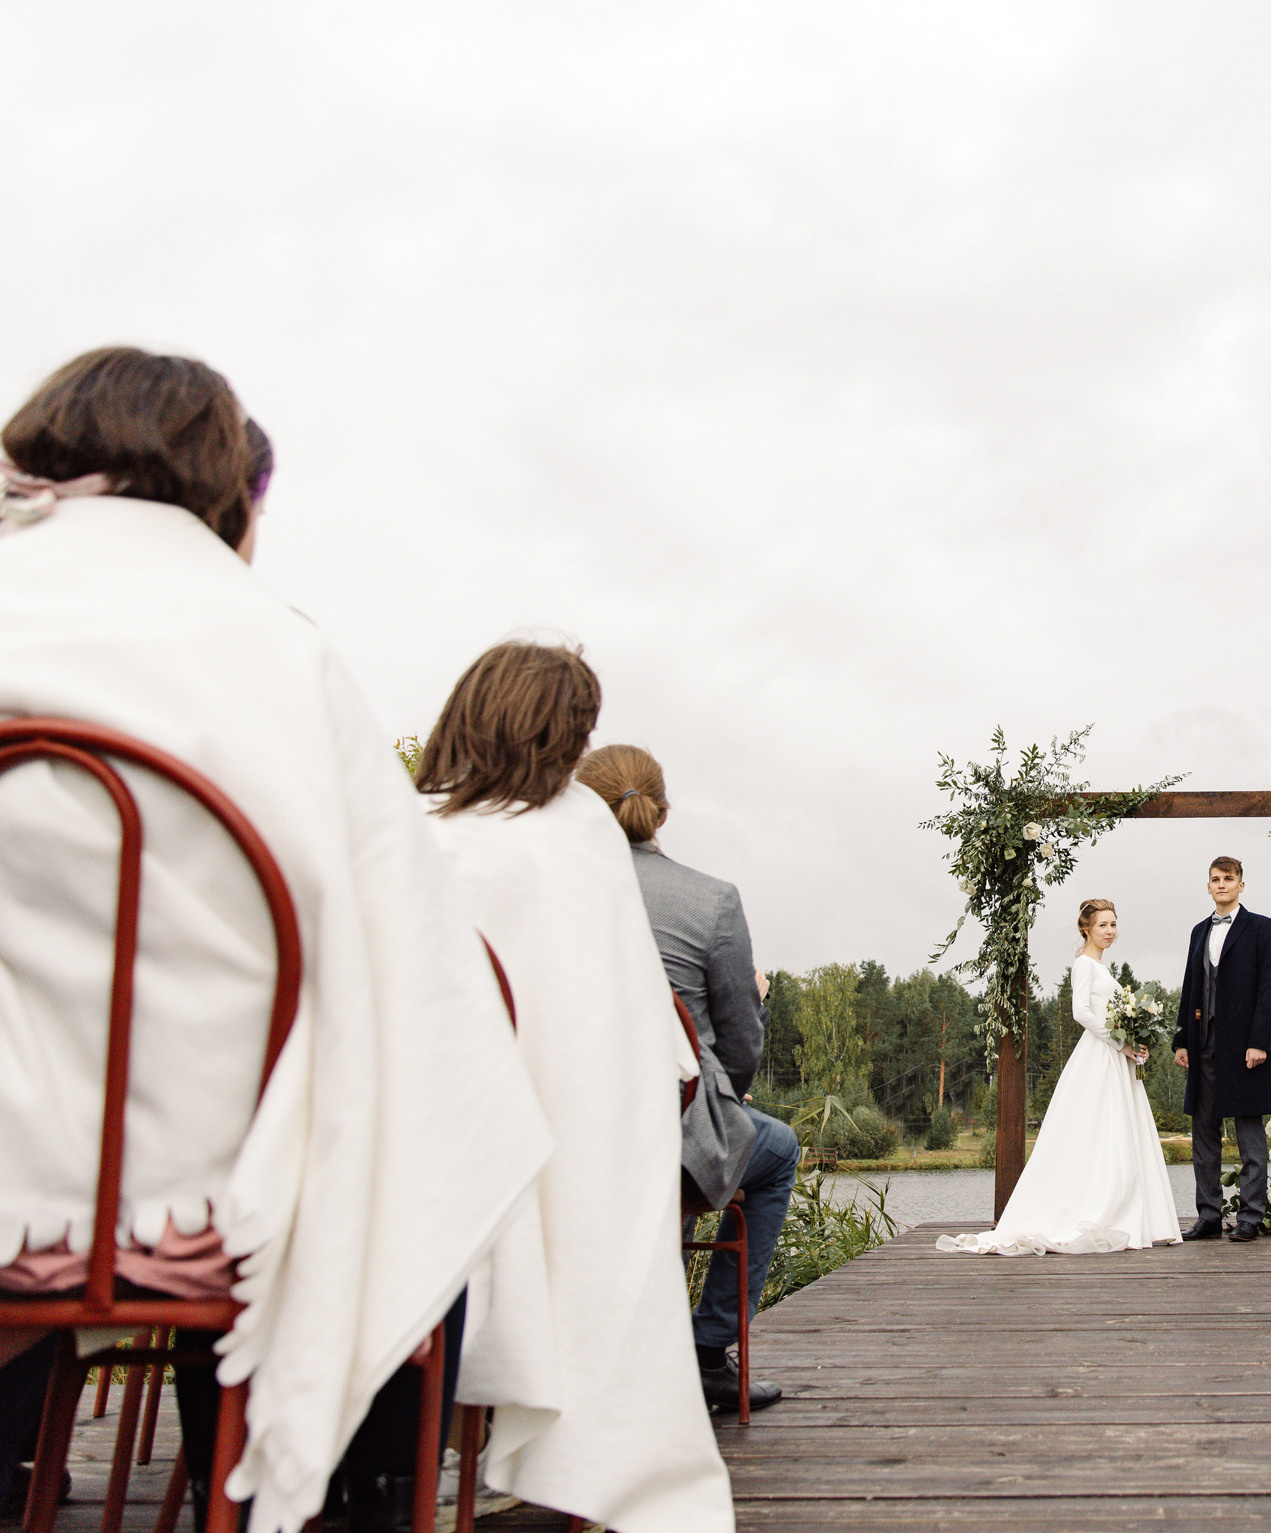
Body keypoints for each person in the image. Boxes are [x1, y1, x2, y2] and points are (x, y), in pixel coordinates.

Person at [0, 347, 549, 1531]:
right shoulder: (278, 651)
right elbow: (410, 961)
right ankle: (315, 1497)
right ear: (218, 485)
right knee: (343, 1130)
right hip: (192, 1196)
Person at [423, 645, 733, 1532]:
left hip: (405, 1166)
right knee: (601, 1166)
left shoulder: (398, 827)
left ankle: (382, 1459)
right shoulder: (577, 836)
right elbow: (645, 1042)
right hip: (550, 1152)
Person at [575, 742, 798, 1410]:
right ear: (662, 813)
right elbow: (738, 1050)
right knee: (777, 1147)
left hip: (561, 1128)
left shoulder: (547, 892)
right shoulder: (711, 901)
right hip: (666, 1133)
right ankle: (707, 1348)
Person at [939, 900, 1183, 1253]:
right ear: (1086, 928)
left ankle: (1132, 1214)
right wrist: (1120, 1043)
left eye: (1114, 925)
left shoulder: (1102, 966)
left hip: (1116, 1056)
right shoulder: (1084, 964)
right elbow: (1081, 1012)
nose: (1110, 931)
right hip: (1100, 1056)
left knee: (1119, 1131)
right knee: (1099, 1129)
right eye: (1103, 925)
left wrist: (1133, 1040)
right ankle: (1100, 1210)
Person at [1172, 858, 1271, 1242]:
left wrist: (1259, 1042)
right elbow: (1190, 987)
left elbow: (1270, 988)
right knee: (1203, 1135)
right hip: (1203, 1044)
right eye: (1215, 880)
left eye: (1228, 879)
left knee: (1250, 1134)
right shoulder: (1199, 931)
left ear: (1241, 885)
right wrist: (1181, 1039)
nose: (1222, 885)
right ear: (1208, 887)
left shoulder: (1262, 928)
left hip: (1243, 1048)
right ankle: (1209, 1216)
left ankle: (1251, 1217)